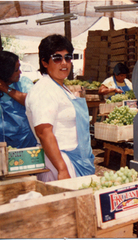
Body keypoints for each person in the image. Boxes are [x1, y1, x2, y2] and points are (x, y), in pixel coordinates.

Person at [25, 34, 95, 182]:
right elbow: (44, 133)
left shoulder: (61, 87)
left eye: (67, 58)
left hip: (78, 160)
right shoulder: (44, 90)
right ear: (44, 62)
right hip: (61, 162)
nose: (64, 63)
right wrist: (62, 169)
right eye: (57, 58)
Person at [0, 50, 38, 148]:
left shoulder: (23, 82)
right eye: (16, 70)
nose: (20, 72)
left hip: (25, 142)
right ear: (6, 71)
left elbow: (31, 101)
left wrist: (6, 89)